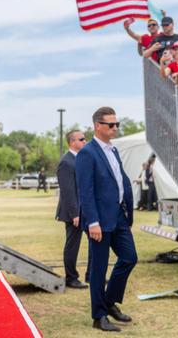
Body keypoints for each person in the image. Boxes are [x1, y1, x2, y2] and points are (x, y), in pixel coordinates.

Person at [76, 107, 137, 332]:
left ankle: (109, 302)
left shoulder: (113, 150)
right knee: (99, 270)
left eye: (116, 124)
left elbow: (119, 180)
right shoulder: (87, 153)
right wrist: (92, 222)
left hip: (119, 217)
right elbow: (86, 191)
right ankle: (98, 316)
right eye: (111, 125)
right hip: (99, 221)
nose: (115, 128)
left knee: (129, 258)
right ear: (97, 126)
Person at [56, 130, 88, 289]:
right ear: (72, 142)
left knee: (96, 242)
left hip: (85, 210)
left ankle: (93, 275)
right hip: (73, 212)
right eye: (82, 139)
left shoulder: (79, 159)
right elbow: (67, 191)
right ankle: (71, 278)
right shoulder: (66, 162)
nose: (85, 141)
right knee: (72, 245)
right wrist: (75, 213)